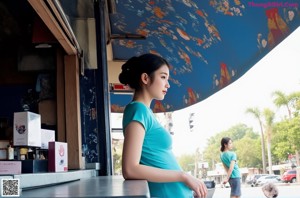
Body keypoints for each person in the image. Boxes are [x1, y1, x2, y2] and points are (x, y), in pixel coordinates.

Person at [119, 53, 207, 198]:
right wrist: (184, 176)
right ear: (145, 78)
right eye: (163, 77)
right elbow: (130, 169)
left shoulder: (145, 112)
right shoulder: (138, 110)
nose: (168, 84)